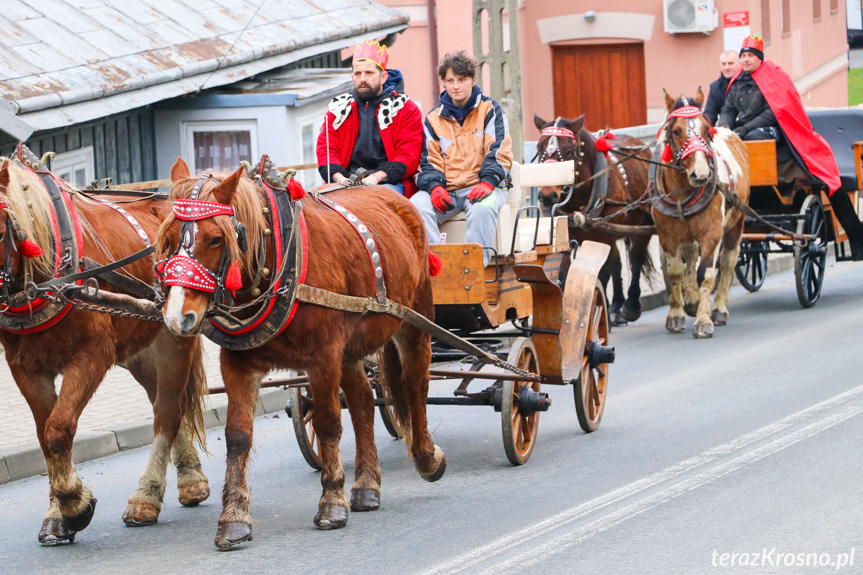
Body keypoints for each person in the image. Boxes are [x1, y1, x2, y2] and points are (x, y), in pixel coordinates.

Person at [721, 34, 863, 259]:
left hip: (775, 132)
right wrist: (724, 128)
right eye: (743, 56)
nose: (746, 60)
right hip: (746, 131)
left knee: (755, 138)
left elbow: (774, 112)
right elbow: (728, 108)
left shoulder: (774, 76)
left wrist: (744, 129)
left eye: (750, 55)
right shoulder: (737, 80)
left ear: (759, 58)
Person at [412, 51, 513, 266]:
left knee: (482, 209)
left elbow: (500, 151)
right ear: (444, 83)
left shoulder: (490, 110)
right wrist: (434, 188)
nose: (456, 86)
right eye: (450, 80)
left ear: (473, 80)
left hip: (489, 188)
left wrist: (488, 182)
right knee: (417, 207)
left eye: (462, 79)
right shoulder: (432, 119)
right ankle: (435, 271)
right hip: (448, 192)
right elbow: (428, 161)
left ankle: (474, 272)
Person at [316, 40, 423, 196]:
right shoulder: (338, 110)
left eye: (369, 73)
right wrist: (340, 180)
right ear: (352, 76)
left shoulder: (405, 109)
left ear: (383, 76)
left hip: (388, 183)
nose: (363, 79)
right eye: (358, 74)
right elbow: (326, 150)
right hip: (343, 183)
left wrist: (375, 178)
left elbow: (409, 154)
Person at [703, 50, 740, 126]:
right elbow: (710, 115)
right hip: (726, 128)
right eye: (723, 64)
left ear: (740, 64)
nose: (726, 67)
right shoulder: (715, 88)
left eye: (731, 63)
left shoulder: (749, 82)